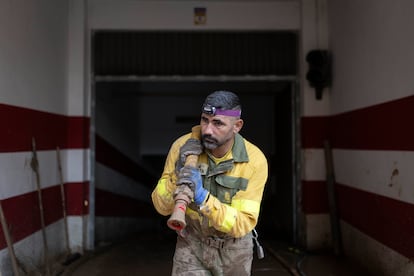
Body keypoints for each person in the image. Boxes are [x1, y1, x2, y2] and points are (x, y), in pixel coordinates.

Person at [151, 90, 268, 276]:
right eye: (205, 120)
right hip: (192, 244)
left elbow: (243, 224)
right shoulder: (182, 147)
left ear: (237, 126)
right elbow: (161, 206)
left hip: (234, 250)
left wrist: (203, 198)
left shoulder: (254, 161)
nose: (207, 130)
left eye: (217, 123)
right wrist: (177, 175)